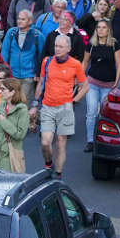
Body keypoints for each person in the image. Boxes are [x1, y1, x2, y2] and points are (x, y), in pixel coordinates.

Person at [30, 37, 89, 178]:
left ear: (68, 49)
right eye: (56, 46)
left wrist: (74, 101)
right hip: (48, 106)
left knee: (61, 143)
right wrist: (35, 103)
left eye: (61, 47)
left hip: (65, 108)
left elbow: (85, 86)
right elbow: (41, 83)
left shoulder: (75, 64)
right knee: (45, 143)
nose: (57, 49)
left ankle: (58, 174)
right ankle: (49, 163)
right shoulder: (47, 61)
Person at [82, 20, 120, 152]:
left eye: (103, 27)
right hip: (92, 83)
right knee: (91, 112)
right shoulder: (91, 44)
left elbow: (119, 64)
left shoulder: (114, 44)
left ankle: (103, 140)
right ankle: (90, 141)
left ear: (108, 30)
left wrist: (117, 82)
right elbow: (85, 62)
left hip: (108, 85)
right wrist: (81, 79)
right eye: (98, 27)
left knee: (103, 113)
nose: (100, 30)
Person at [0, 77, 29, 173]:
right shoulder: (1, 106)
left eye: (3, 89)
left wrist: (4, 121)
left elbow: (20, 135)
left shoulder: (22, 110)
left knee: (6, 185)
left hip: (9, 154)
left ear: (12, 92)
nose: (0, 91)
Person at [1, 10, 42, 103]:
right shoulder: (11, 33)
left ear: (30, 21)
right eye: (18, 19)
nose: (19, 21)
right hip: (12, 74)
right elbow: (4, 52)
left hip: (28, 76)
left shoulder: (37, 35)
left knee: (23, 104)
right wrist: (4, 71)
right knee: (9, 102)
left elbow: (41, 57)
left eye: (23, 19)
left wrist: (38, 73)